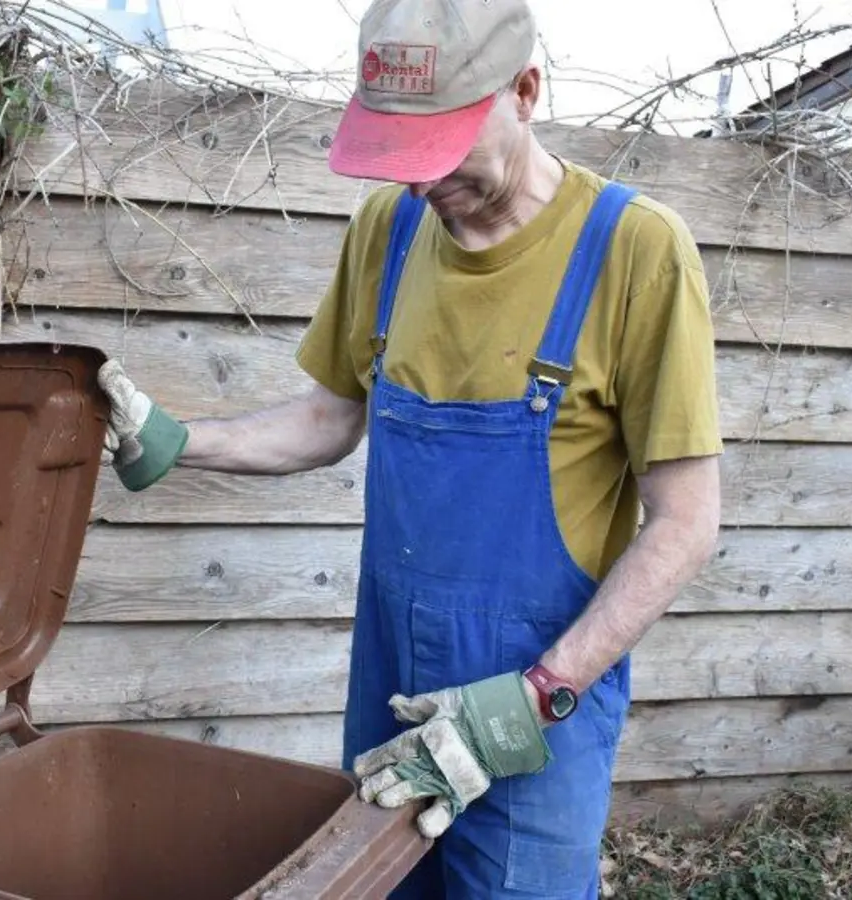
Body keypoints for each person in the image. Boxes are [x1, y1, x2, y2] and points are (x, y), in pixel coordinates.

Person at [98, 0, 723, 895]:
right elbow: (326, 420)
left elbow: (686, 524)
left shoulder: (635, 252)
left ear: (527, 91)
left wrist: (535, 696)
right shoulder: (389, 234)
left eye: (443, 150)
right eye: (403, 155)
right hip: (391, 697)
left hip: (532, 719)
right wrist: (173, 441)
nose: (423, 184)